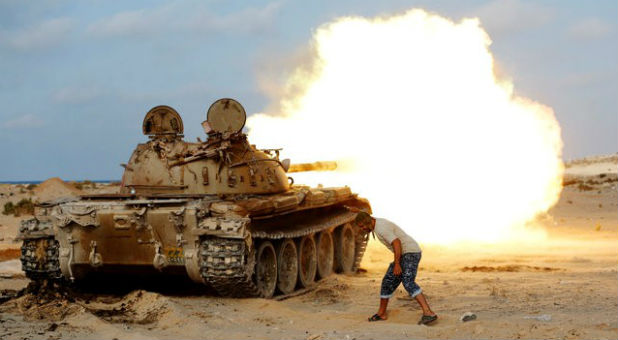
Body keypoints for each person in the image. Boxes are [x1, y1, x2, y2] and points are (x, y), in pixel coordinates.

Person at [355, 211, 437, 325]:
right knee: (387, 282)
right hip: (404, 253)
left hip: (410, 252)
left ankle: (429, 313)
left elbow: (396, 243)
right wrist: (355, 210)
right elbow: (365, 215)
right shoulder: (374, 222)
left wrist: (397, 264)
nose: (362, 228)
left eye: (363, 226)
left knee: (408, 281)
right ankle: (381, 313)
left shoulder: (381, 228)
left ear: (369, 222)